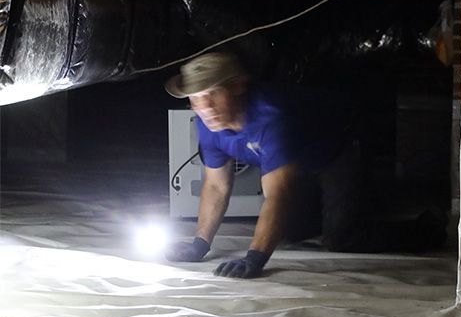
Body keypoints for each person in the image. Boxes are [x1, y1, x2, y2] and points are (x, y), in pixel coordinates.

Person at [163, 51, 446, 278]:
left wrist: (255, 258)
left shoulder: (272, 118)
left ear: (238, 86)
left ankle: (427, 228)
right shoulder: (208, 122)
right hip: (300, 157)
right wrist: (199, 244)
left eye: (213, 93)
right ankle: (341, 207)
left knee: (342, 238)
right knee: (290, 232)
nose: (206, 107)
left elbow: (278, 195)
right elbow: (215, 185)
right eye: (197, 98)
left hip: (339, 142)